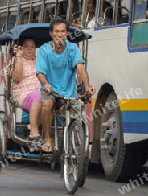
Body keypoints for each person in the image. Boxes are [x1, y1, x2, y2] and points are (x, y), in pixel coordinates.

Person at [36, 18, 96, 152]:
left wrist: (87, 86)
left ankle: (72, 151)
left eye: (63, 31)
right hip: (50, 89)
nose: (60, 34)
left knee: (77, 115)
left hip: (69, 91)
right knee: (47, 105)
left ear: (67, 33)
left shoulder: (72, 48)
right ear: (51, 33)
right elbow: (40, 73)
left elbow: (80, 68)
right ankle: (47, 138)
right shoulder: (44, 50)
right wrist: (46, 84)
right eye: (56, 31)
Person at [11, 38, 42, 140]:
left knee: (50, 99)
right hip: (23, 93)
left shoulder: (39, 61)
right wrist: (18, 57)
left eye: (32, 46)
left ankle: (33, 125)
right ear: (21, 48)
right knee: (38, 97)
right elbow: (17, 78)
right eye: (26, 46)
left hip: (40, 92)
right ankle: (34, 131)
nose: (30, 49)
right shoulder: (15, 60)